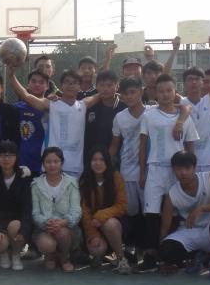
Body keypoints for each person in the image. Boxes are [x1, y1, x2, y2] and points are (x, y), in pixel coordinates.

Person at [136, 74, 199, 272]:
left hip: (177, 172)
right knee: (152, 212)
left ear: (175, 92)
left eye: (169, 90)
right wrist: (142, 172)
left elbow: (190, 146)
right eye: (161, 91)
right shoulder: (149, 115)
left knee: (175, 212)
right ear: (155, 93)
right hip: (155, 168)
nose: (165, 94)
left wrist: (191, 172)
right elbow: (142, 145)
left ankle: (172, 254)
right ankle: (150, 255)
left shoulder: (185, 117)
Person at [7, 66, 99, 178]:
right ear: (61, 86)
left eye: (74, 83)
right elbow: (26, 96)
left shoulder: (84, 104)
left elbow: (102, 93)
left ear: (80, 87)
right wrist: (11, 76)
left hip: (75, 167)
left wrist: (115, 92)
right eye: (67, 82)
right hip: (51, 165)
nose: (70, 85)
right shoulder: (51, 104)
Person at [158, 151, 210, 280]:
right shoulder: (172, 194)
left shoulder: (209, 177)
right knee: (167, 250)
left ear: (194, 168)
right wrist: (164, 260)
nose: (183, 173)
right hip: (189, 230)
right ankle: (198, 257)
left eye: (187, 168)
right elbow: (164, 227)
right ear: (173, 170)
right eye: (179, 169)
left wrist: (202, 208)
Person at [108, 78, 147, 265]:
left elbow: (179, 106)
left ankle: (146, 248)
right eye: (126, 93)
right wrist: (107, 166)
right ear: (121, 96)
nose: (130, 96)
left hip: (149, 171)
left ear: (141, 91)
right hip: (127, 171)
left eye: (133, 92)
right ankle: (130, 245)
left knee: (148, 212)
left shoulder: (153, 112)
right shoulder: (119, 117)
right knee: (130, 211)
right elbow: (115, 145)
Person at [0, 140, 32, 271]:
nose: (6, 159)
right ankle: (3, 253)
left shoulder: (24, 177)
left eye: (10, 155)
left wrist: (24, 230)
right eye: (2, 155)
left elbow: (27, 207)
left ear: (16, 157)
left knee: (15, 226)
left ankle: (16, 255)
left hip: (17, 222)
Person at [31, 147, 82, 272]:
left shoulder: (72, 183)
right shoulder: (35, 185)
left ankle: (65, 258)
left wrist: (63, 222)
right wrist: (47, 222)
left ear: (62, 163)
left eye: (56, 161)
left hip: (68, 228)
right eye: (48, 162)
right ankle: (50, 256)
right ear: (43, 164)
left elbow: (76, 210)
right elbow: (35, 213)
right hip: (44, 227)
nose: (52, 165)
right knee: (47, 244)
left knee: (62, 233)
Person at [79, 148, 128, 273]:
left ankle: (121, 259)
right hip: (93, 225)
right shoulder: (85, 181)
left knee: (110, 224)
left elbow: (122, 205)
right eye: (94, 160)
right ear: (89, 162)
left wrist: (101, 216)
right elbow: (85, 212)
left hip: (114, 223)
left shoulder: (116, 177)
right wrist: (92, 235)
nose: (98, 163)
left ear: (107, 162)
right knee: (97, 249)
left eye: (102, 159)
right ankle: (100, 256)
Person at [179, 67, 210, 172]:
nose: (193, 82)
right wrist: (173, 56)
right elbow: (162, 82)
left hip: (208, 160)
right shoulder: (180, 102)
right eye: (190, 79)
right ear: (184, 84)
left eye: (197, 79)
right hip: (186, 159)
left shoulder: (208, 101)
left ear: (202, 83)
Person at [83, 70, 125, 164]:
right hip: (90, 159)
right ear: (96, 86)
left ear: (117, 86)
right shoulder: (90, 106)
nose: (105, 89)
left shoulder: (124, 108)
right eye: (101, 85)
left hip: (116, 160)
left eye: (109, 85)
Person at [14, 69, 48, 176]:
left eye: (41, 82)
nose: (37, 84)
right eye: (33, 81)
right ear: (27, 85)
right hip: (19, 164)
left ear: (47, 86)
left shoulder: (51, 107)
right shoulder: (16, 108)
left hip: (42, 164)